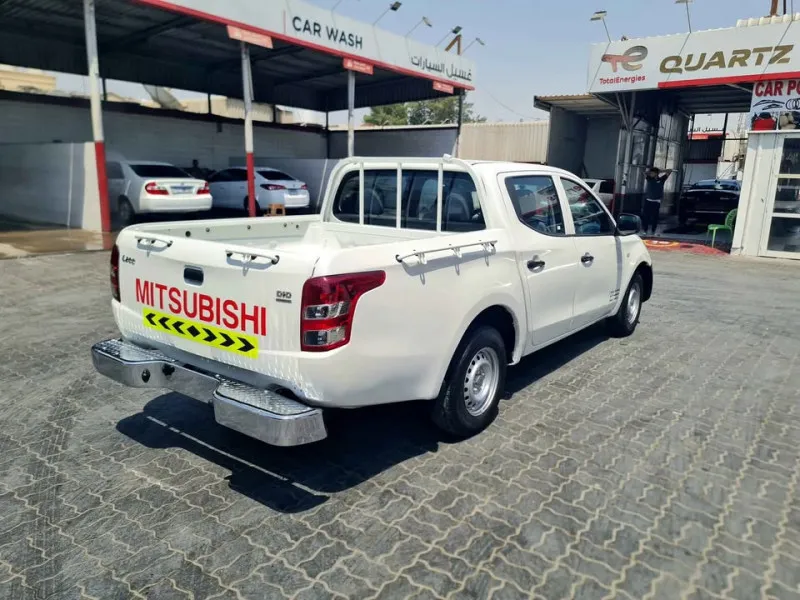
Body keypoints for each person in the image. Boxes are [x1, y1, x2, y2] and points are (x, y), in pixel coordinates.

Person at [642, 167, 672, 235]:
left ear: (656, 173)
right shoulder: (649, 178)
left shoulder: (661, 179)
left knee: (655, 217)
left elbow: (670, 170)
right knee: (646, 216)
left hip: (656, 201)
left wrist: (660, 171)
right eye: (651, 173)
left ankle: (653, 230)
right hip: (648, 201)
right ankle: (645, 230)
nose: (651, 174)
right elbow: (644, 172)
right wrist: (653, 171)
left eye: (653, 173)